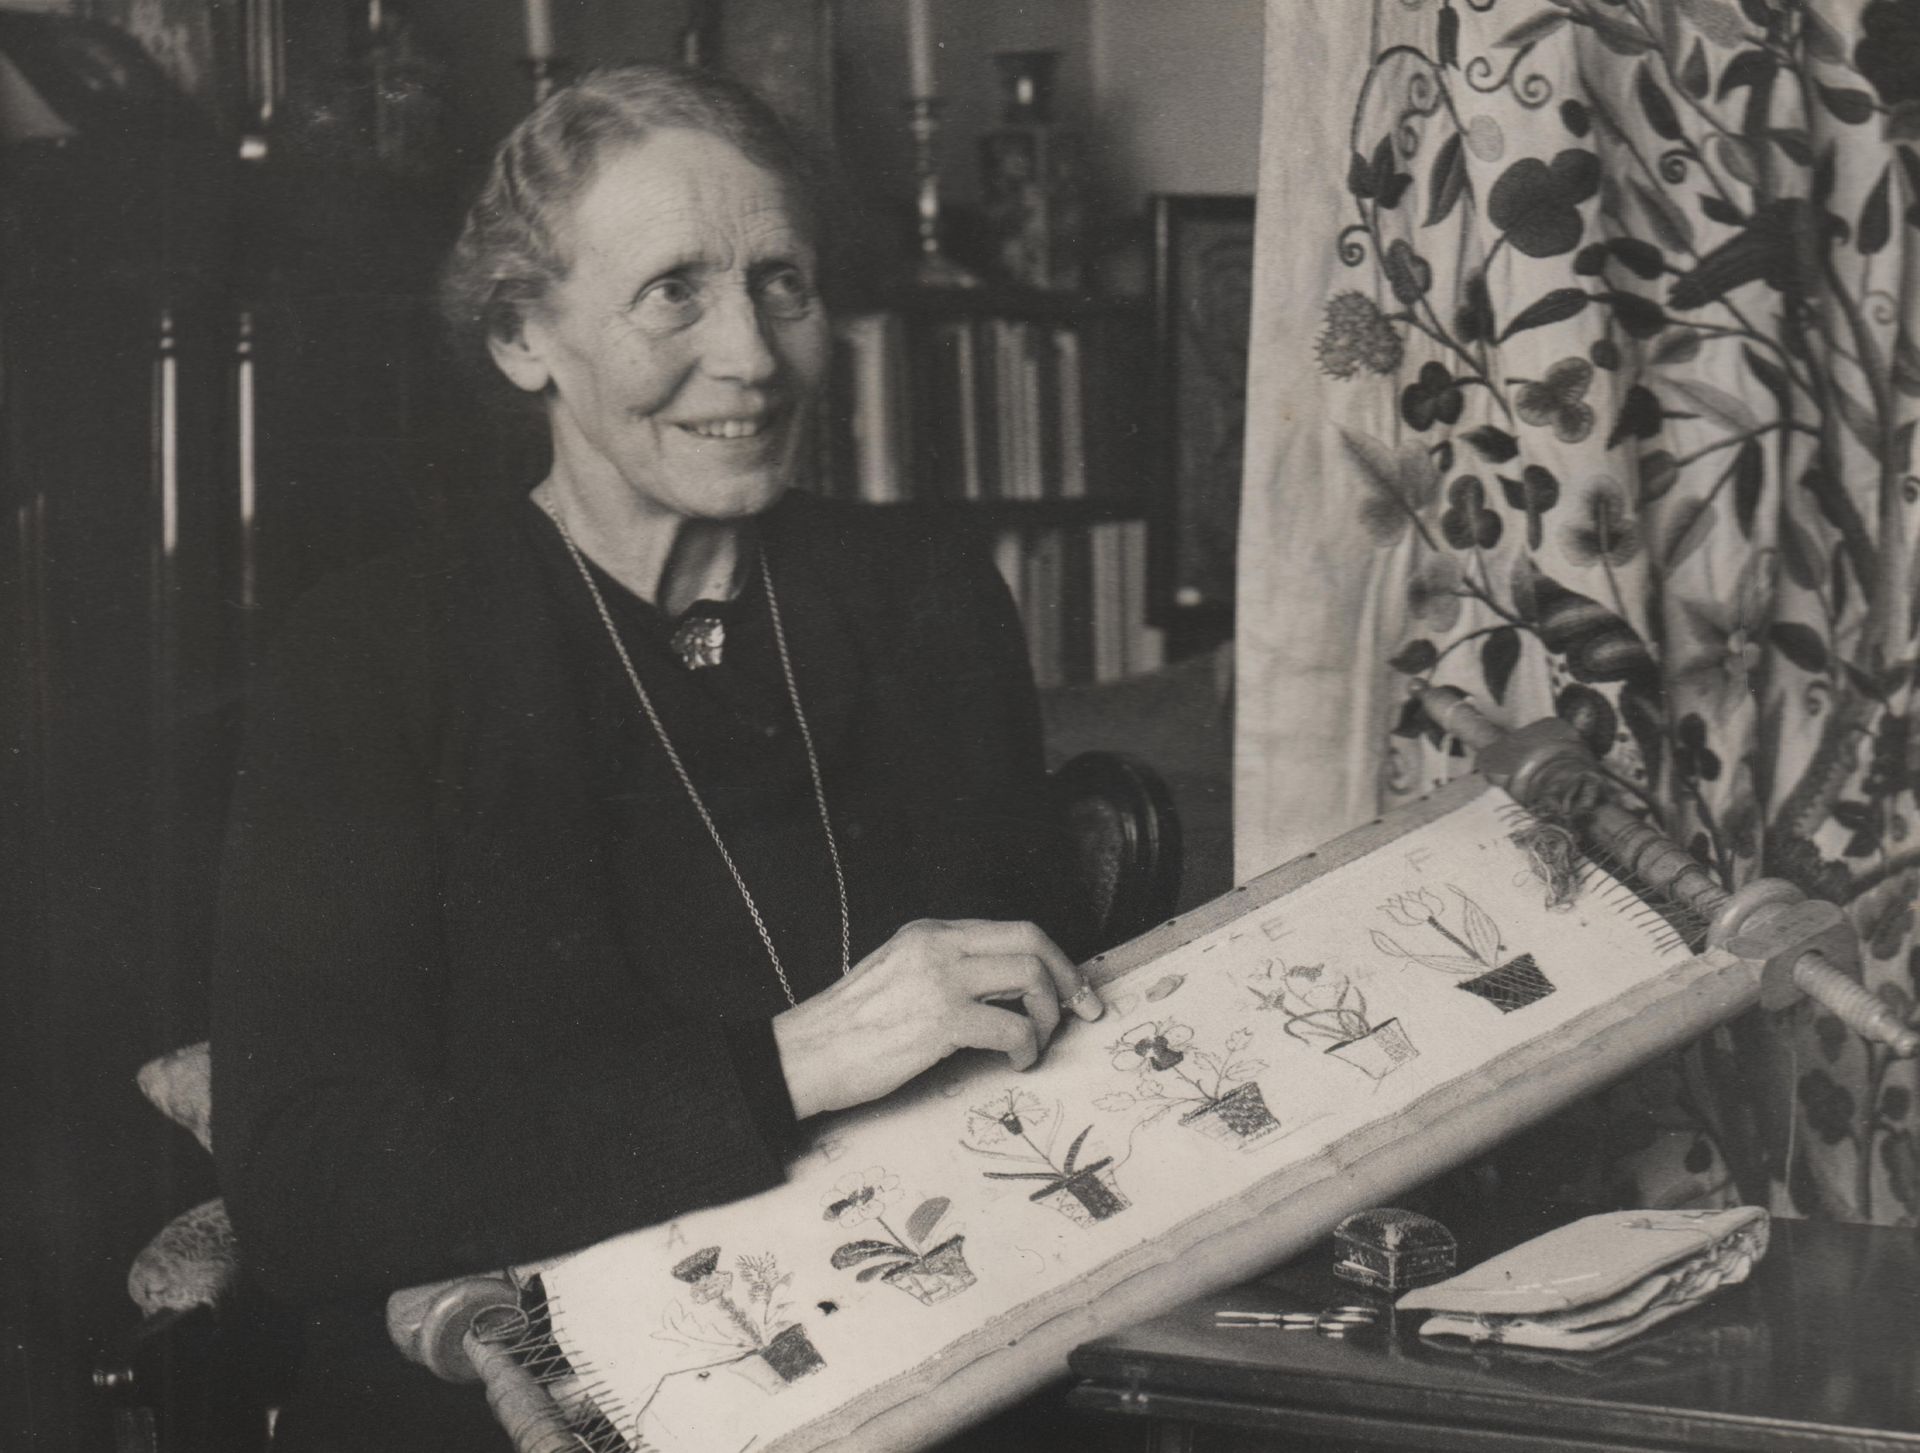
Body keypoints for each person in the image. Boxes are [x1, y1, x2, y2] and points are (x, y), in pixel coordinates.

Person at [212, 63, 1099, 1452]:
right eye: (673, 291)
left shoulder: (926, 596)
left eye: (782, 283)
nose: (753, 356)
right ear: (524, 336)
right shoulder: (373, 656)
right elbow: (305, 1186)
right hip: (545, 1399)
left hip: (935, 1349)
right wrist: (787, 1065)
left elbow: (1042, 1030)